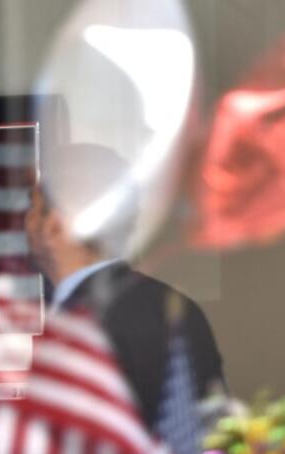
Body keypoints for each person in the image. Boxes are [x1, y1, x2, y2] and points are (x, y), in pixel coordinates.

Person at [24, 143, 226, 431]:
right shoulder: (181, 310)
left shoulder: (71, 326)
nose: (26, 221)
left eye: (33, 205)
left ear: (57, 224)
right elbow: (216, 441)